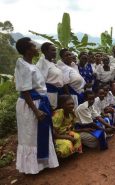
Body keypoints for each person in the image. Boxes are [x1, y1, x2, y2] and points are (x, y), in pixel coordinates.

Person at [15, 37, 59, 174]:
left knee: (40, 133)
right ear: (28, 50)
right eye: (34, 46)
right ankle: (32, 167)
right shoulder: (23, 66)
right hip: (31, 105)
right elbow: (25, 91)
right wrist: (36, 111)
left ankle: (42, 163)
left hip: (39, 102)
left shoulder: (32, 65)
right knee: (31, 135)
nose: (36, 48)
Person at [36, 42, 63, 109]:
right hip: (48, 94)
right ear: (45, 51)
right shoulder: (42, 63)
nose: (55, 52)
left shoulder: (51, 63)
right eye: (53, 50)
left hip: (55, 93)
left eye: (55, 50)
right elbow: (40, 82)